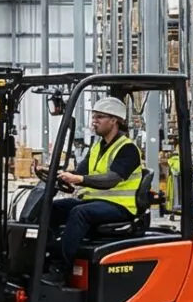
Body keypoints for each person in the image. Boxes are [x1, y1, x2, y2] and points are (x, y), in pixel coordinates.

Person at [48, 97, 142, 271]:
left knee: (79, 212)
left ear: (114, 120)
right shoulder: (97, 147)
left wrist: (80, 180)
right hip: (96, 202)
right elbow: (80, 172)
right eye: (94, 117)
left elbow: (113, 179)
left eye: (99, 117)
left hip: (121, 207)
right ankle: (45, 256)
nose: (94, 121)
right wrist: (58, 175)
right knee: (52, 207)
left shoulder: (127, 148)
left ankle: (62, 266)